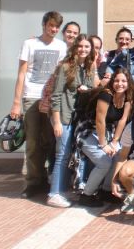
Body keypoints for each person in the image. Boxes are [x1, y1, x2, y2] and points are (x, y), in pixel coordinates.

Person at [10, 11, 68, 199]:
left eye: (57, 26)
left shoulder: (61, 46)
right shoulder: (30, 44)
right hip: (31, 96)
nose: (54, 29)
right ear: (44, 25)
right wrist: (16, 103)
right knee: (33, 141)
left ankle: (46, 179)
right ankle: (34, 182)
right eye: (51, 25)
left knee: (49, 141)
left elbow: (61, 74)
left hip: (51, 99)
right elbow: (21, 73)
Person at [49, 34, 99, 207]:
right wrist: (56, 122)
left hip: (78, 118)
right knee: (62, 155)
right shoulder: (65, 67)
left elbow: (92, 90)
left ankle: (62, 191)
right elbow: (55, 96)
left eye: (87, 47)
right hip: (64, 117)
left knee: (70, 155)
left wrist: (88, 89)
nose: (83, 49)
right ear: (75, 47)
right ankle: (54, 193)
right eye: (80, 46)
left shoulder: (89, 67)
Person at [76, 67, 133, 206]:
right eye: (117, 80)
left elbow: (122, 120)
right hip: (87, 131)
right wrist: (104, 145)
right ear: (112, 81)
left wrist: (114, 142)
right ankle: (86, 195)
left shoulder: (128, 97)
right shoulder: (106, 95)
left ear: (128, 82)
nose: (120, 84)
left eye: (124, 81)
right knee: (104, 162)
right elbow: (99, 120)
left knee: (118, 155)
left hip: (107, 133)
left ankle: (106, 191)